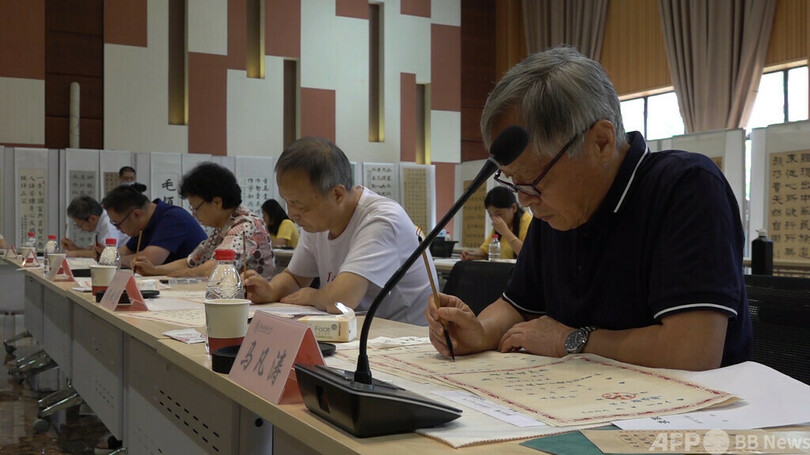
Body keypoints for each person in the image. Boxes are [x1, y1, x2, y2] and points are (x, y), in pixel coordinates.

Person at [426, 46, 752, 370]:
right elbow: (517, 306)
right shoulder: (555, 211)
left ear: (601, 142)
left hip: (694, 402)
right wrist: (479, 331)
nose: (524, 200)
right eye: (514, 182)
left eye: (534, 180)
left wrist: (569, 341)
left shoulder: (687, 187)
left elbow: (692, 352)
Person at [244, 137, 433, 325]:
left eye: (299, 205)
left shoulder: (381, 219)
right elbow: (295, 278)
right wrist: (270, 290)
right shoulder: (319, 220)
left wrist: (311, 296)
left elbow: (342, 300)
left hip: (404, 333)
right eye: (287, 202)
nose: (292, 214)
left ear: (337, 194)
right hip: (359, 329)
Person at [132, 163, 275, 279]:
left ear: (217, 202)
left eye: (196, 208)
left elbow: (215, 268)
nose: (194, 214)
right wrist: (154, 270)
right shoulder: (224, 226)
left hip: (251, 302)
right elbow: (191, 262)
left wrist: (180, 275)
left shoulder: (246, 225)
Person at [102, 183, 207, 269]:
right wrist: (105, 254)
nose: (117, 228)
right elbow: (125, 251)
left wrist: (113, 259)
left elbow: (149, 260)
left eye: (117, 223)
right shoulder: (142, 224)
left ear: (136, 214)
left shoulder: (173, 218)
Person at [460, 186, 533, 260]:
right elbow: (485, 250)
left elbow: (528, 255)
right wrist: (472, 254)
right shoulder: (500, 227)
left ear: (514, 208)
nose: (494, 219)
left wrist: (505, 232)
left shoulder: (527, 222)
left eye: (499, 214)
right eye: (490, 215)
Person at [62, 196, 130, 257]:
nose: (80, 228)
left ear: (92, 219)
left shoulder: (108, 224)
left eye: (80, 225)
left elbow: (103, 253)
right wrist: (75, 248)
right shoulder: (100, 222)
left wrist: (75, 253)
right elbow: (95, 250)